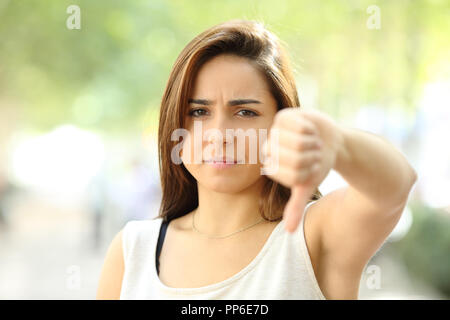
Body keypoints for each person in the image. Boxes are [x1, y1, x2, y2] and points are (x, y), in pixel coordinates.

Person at [96, 19, 417, 300]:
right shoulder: (133, 251)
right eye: (199, 112)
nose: (219, 133)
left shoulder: (314, 237)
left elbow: (395, 186)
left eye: (245, 112)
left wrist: (338, 143)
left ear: (282, 121)